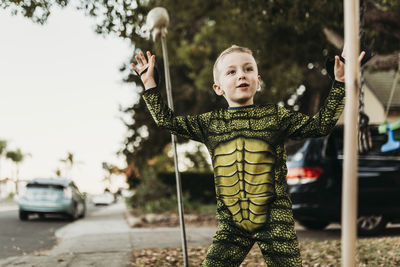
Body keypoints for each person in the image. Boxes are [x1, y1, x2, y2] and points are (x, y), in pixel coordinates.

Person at [132, 45, 365, 267]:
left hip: (275, 220)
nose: (241, 75)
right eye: (231, 71)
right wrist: (149, 82)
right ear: (218, 88)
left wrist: (340, 83)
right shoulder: (210, 123)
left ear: (258, 81)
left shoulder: (275, 116)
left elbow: (320, 126)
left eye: (248, 69)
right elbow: (166, 121)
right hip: (232, 223)